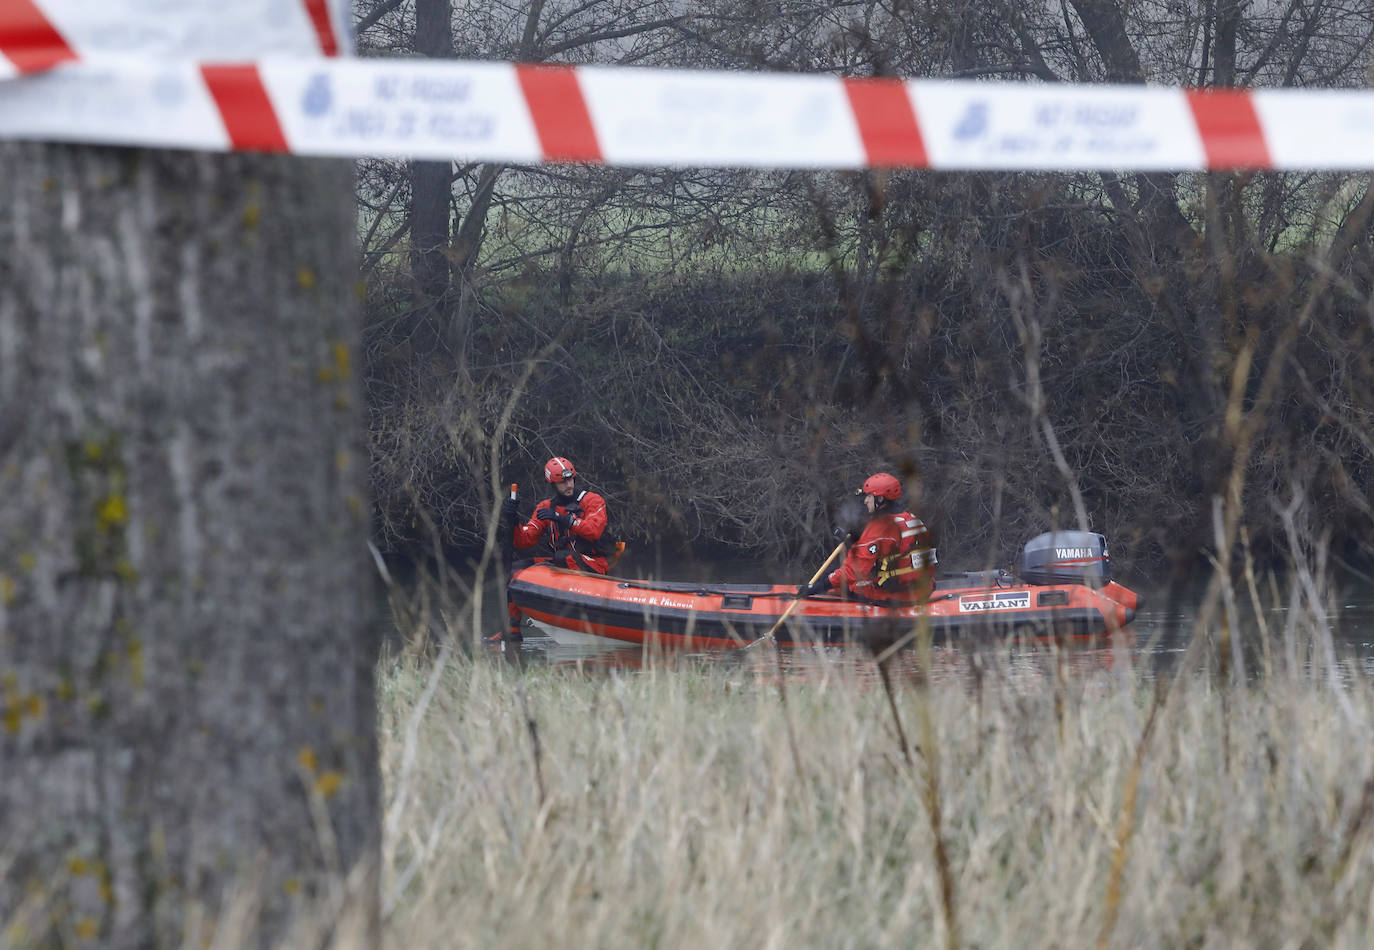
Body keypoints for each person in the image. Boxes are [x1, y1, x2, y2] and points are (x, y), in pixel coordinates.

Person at [491, 456, 614, 642]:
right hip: (562, 562)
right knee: (517, 569)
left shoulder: (593, 501)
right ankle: (512, 629)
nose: (568, 485)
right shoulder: (545, 508)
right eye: (562, 482)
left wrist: (563, 518)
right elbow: (525, 540)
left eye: (570, 479)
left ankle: (582, 613)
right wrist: (514, 522)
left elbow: (594, 531)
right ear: (552, 484)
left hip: (593, 564)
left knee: (564, 556)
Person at [795, 472, 937, 605]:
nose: (865, 501)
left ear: (880, 499)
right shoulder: (911, 518)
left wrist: (817, 588)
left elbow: (852, 572)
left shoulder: (878, 528)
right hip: (925, 589)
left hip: (897, 597)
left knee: (849, 586)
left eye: (869, 496)